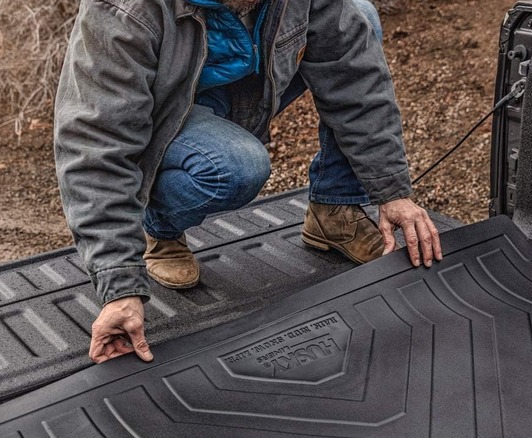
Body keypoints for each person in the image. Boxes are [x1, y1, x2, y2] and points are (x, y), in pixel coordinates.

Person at [54, 0, 442, 364]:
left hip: (241, 83)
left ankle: (334, 208)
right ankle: (160, 228)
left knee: (359, 16)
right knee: (234, 167)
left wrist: (392, 192)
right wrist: (119, 286)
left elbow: (356, 81)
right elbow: (96, 146)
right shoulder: (125, 10)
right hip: (164, 109)